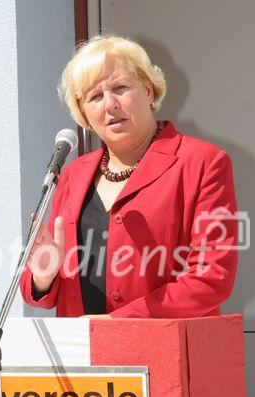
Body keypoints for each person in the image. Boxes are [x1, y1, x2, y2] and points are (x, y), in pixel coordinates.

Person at [20, 35, 238, 319]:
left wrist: (116, 323)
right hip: (81, 355)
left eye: (120, 88)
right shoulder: (73, 174)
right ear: (84, 115)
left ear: (148, 90)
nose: (110, 104)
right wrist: (44, 276)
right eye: (95, 97)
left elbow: (211, 279)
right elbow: (43, 293)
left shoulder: (203, 163)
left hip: (167, 352)